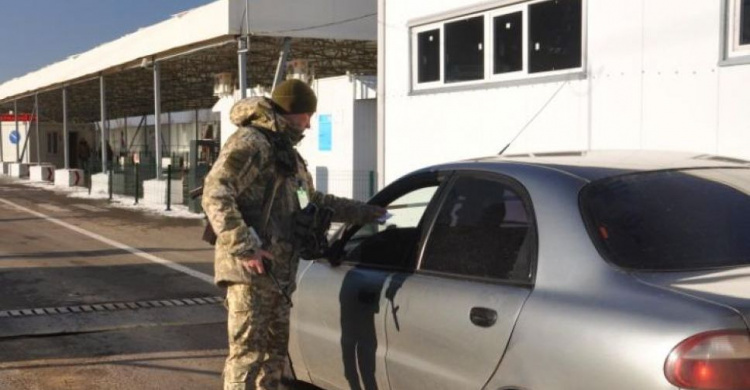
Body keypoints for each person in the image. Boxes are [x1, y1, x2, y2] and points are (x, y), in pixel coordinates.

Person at [201, 79, 385, 390]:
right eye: (307, 116)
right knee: (247, 356)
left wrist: (369, 212)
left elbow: (310, 202)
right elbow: (215, 192)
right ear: (293, 111)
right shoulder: (252, 142)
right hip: (251, 273)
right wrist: (245, 247)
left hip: (279, 275)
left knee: (274, 357)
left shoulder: (286, 154)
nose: (310, 125)